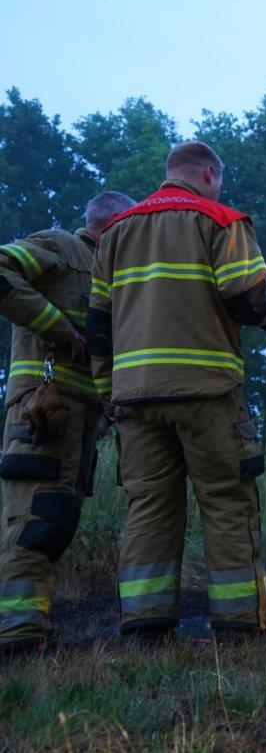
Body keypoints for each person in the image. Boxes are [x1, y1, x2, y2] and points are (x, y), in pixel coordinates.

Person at [87, 141, 266, 641]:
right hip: (206, 393)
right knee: (226, 502)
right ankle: (239, 628)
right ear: (210, 173)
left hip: (135, 398)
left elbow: (98, 327)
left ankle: (146, 629)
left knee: (149, 507)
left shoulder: (115, 234)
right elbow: (246, 294)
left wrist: (109, 393)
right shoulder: (220, 219)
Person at [0, 191, 134, 655]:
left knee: (58, 521)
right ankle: (17, 637)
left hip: (80, 416)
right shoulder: (59, 246)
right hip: (41, 410)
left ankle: (30, 627)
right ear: (113, 224)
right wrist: (58, 327)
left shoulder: (108, 271)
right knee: (35, 519)